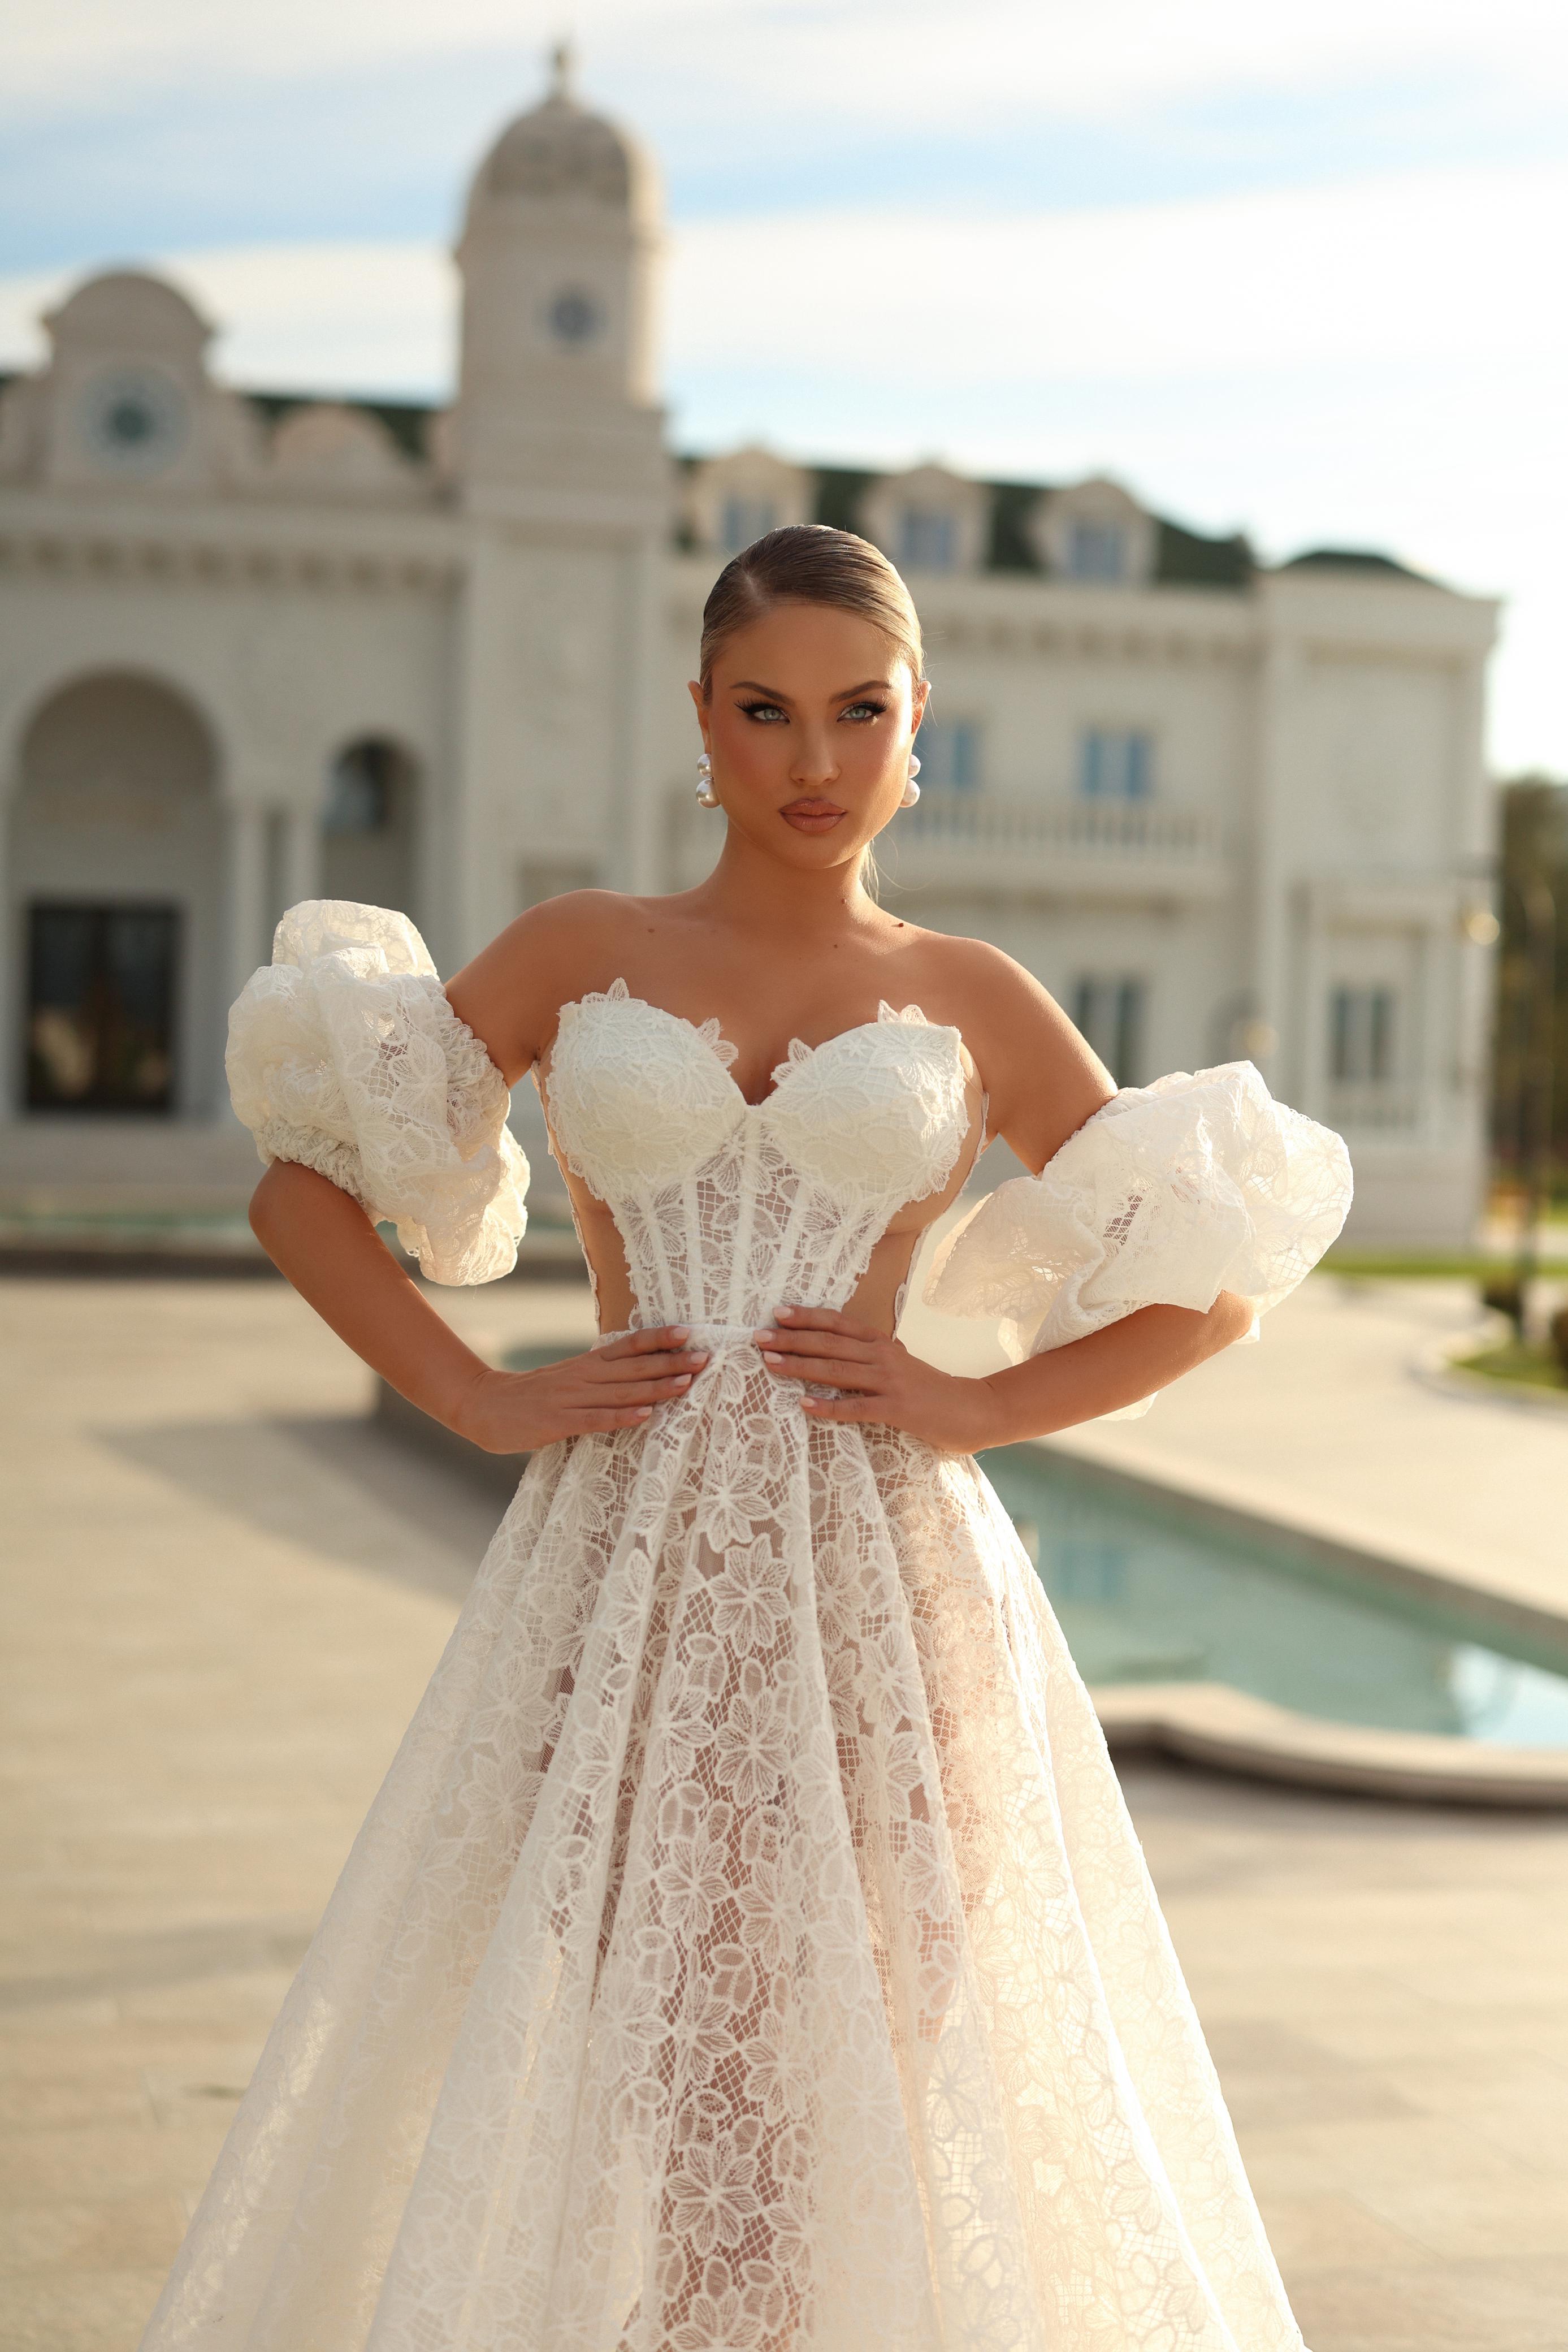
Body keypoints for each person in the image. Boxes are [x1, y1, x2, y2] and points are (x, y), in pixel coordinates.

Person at [142, 526, 1351, 2352]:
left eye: (860, 712)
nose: (813, 761)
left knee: (844, 2085)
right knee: (679, 2083)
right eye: (768, 711)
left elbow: (1214, 1282)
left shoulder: (974, 996)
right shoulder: (582, 950)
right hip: (626, 1582)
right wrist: (473, 1394)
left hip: (885, 1590)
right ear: (701, 721)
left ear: (917, 721)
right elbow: (301, 1195)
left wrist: (975, 1406)